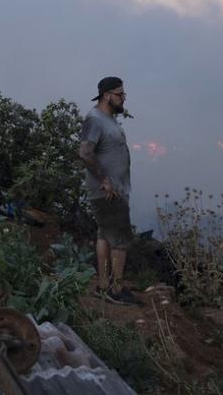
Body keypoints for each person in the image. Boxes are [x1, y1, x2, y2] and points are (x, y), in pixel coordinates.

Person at [79, 76, 141, 305]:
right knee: (120, 239)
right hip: (108, 191)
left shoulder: (109, 119)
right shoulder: (94, 119)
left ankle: (104, 285)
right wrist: (104, 180)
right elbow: (85, 152)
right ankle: (116, 290)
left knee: (104, 235)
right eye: (119, 93)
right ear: (106, 95)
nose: (123, 97)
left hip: (114, 188)